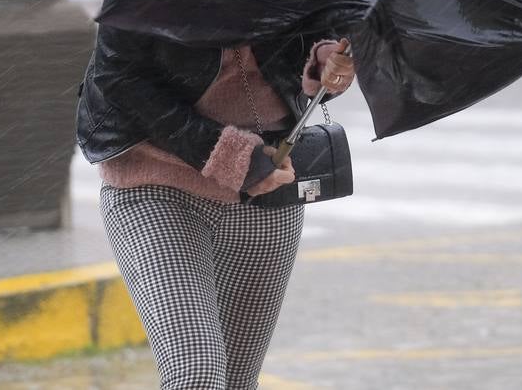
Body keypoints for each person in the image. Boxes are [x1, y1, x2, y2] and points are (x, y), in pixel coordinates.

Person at [80, 26, 356, 390]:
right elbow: (118, 77)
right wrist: (232, 157)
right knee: (197, 375)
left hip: (266, 186)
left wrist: (322, 58)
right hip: (155, 183)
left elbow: (318, 27)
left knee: (238, 382)